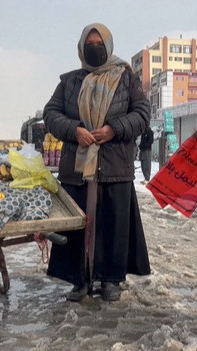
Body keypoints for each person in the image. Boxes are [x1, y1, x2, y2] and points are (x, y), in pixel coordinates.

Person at [43, 23, 151, 302]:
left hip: (114, 167)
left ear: (109, 46)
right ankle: (79, 281)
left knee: (112, 227)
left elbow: (141, 114)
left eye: (98, 44)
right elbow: (51, 114)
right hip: (78, 169)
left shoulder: (126, 78)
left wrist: (114, 129)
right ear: (81, 48)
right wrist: (74, 130)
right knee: (78, 228)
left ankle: (111, 280)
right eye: (88, 45)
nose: (93, 49)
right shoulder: (69, 81)